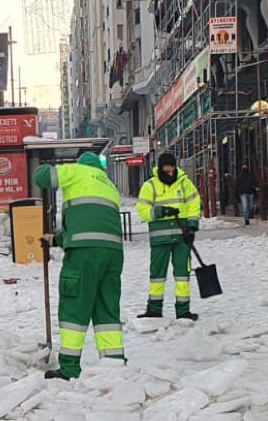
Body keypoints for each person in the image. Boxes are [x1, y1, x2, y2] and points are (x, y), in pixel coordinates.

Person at [34, 152, 125, 380]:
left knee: (75, 306)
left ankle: (69, 368)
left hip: (84, 255)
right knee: (107, 308)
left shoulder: (76, 171)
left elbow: (42, 176)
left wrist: (45, 164)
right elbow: (89, 226)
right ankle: (113, 365)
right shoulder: (109, 185)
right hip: (113, 253)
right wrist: (55, 239)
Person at [136, 152, 202, 320]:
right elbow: (142, 211)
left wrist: (193, 225)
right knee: (157, 275)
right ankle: (154, 309)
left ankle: (183, 310)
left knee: (182, 274)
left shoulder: (184, 183)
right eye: (166, 171)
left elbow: (194, 203)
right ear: (160, 169)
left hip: (182, 237)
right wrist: (160, 211)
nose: (170, 173)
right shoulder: (150, 186)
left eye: (171, 170)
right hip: (160, 239)